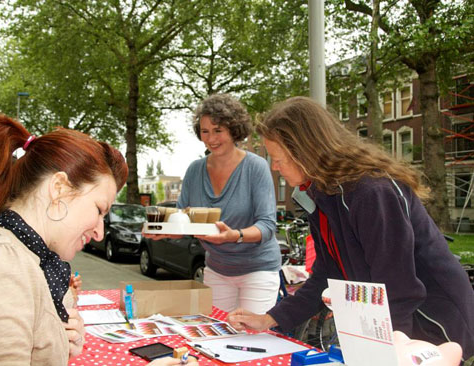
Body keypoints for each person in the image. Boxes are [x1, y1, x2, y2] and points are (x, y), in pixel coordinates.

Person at [227, 96, 474, 361]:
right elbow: (325, 275)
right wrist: (270, 318)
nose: (275, 168)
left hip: (432, 323)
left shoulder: (372, 193)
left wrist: (390, 353)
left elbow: (398, 287)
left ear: (305, 151)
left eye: (279, 159)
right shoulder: (322, 196)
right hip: (396, 325)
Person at [0, 113, 128, 364]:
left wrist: (58, 341)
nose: (99, 231)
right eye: (99, 209)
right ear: (59, 188)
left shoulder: (24, 259)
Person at [178, 93, 281, 313]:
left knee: (252, 336)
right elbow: (183, 217)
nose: (211, 139)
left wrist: (235, 235)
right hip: (217, 269)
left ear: (234, 131)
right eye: (205, 131)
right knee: (216, 333)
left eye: (218, 131)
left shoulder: (256, 167)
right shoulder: (194, 170)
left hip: (258, 269)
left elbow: (267, 226)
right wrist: (163, 230)